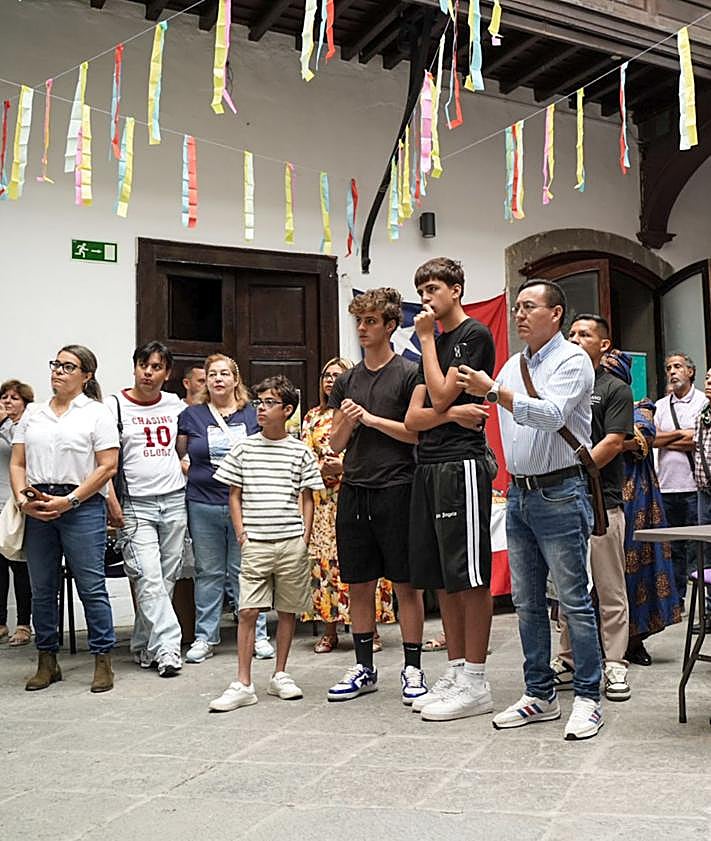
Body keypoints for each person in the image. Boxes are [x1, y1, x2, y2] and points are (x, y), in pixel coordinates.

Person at [456, 279, 604, 741]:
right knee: (526, 602)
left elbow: (552, 415)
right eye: (516, 307)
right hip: (519, 493)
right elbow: (502, 420)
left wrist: (493, 392)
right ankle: (539, 693)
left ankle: (588, 697)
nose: (519, 315)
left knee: (574, 601)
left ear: (555, 314)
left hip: (561, 492)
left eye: (529, 307)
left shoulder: (573, 359)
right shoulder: (513, 364)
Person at [403, 257, 496, 721]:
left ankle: (476, 681)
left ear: (456, 290)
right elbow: (414, 418)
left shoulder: (472, 336)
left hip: (462, 464)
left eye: (433, 289)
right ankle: (457, 670)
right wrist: (449, 413)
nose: (426, 299)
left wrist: (423, 340)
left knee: (470, 577)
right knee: (445, 577)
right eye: (421, 291)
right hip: (430, 465)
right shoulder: (436, 345)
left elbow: (436, 396)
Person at [326, 288, 426, 706]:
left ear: (390, 325)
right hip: (355, 488)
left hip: (398, 487)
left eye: (371, 322)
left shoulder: (409, 372)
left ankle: (413, 668)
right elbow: (334, 443)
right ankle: (364, 666)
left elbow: (415, 432)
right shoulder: (347, 379)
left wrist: (370, 418)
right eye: (359, 322)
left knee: (405, 584)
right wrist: (349, 423)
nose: (363, 329)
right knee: (359, 581)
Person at [208, 376, 324, 711]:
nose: (261, 408)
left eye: (270, 403)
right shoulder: (244, 447)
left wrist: (304, 537)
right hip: (256, 541)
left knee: (287, 610)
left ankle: (280, 674)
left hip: (290, 541)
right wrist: (242, 533)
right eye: (259, 402)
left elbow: (307, 497)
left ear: (287, 410)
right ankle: (243, 681)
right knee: (247, 610)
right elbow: (234, 493)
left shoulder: (299, 450)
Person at [10, 346, 118, 692]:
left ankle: (103, 661)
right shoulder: (34, 414)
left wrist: (70, 501)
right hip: (38, 504)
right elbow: (17, 463)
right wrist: (21, 500)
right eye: (55, 364)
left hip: (82, 505)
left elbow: (107, 466)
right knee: (43, 588)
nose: (57, 371)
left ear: (86, 376)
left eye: (67, 366)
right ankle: (47, 660)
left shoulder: (97, 413)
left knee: (91, 587)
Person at [553, 315, 634, 702]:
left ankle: (615, 662)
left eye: (584, 334)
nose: (575, 339)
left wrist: (572, 470)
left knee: (609, 587)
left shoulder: (614, 388)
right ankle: (568, 658)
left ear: (604, 345)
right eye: (571, 334)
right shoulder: (561, 385)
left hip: (602, 502)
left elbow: (614, 442)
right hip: (562, 502)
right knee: (569, 588)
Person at [177, 354, 272, 663]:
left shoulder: (252, 415)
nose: (218, 379)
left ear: (235, 380)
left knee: (246, 571)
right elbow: (182, 454)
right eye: (212, 374)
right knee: (208, 572)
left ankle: (257, 635)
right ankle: (206, 637)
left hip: (244, 504)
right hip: (202, 502)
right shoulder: (192, 415)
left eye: (224, 374)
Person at [301, 356, 395, 653]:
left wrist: (342, 469)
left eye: (337, 376)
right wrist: (320, 470)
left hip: (355, 493)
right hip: (322, 503)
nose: (330, 381)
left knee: (361, 564)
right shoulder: (312, 417)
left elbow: (371, 451)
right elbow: (303, 457)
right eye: (327, 375)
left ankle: (370, 631)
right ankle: (330, 631)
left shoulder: (359, 413)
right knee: (325, 565)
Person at [107, 341, 187, 678]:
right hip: (136, 505)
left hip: (174, 500)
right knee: (149, 577)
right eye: (143, 365)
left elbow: (189, 442)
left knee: (165, 580)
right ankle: (169, 647)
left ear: (167, 373)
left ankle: (143, 644)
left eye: (156, 367)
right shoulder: (115, 407)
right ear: (135, 367)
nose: (148, 373)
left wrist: (187, 460)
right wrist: (112, 502)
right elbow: (103, 461)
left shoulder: (175, 405)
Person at [601, 349, 682, 665]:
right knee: (603, 574)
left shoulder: (641, 407)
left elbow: (638, 435)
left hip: (637, 504)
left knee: (638, 570)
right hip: (599, 495)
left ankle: (634, 642)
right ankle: (599, 644)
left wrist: (613, 438)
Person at [653, 353, 706, 610]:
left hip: (694, 486)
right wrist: (680, 434)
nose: (672, 372)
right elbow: (651, 439)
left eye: (677, 367)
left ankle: (703, 603)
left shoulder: (703, 403)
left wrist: (668, 438)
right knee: (672, 547)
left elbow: (697, 439)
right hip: (666, 485)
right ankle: (679, 601)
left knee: (699, 546)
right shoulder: (661, 406)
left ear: (690, 372)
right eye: (669, 368)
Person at [0, 379, 34, 646]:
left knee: (20, 566)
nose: (8, 401)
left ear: (24, 403)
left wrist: (5, 423)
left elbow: (19, 451)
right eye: (5, 397)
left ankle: (24, 624)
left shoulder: (25, 426)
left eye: (14, 398)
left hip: (17, 505)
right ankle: (1, 623)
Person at [692, 365, 711, 631]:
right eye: (707, 378)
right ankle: (708, 612)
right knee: (705, 551)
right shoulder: (703, 414)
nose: (708, 381)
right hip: (704, 491)